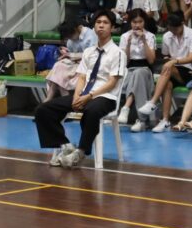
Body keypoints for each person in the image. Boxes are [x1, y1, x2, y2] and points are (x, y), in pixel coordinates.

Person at [34, 10, 127, 169]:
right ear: (94, 27)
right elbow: (82, 77)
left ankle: (81, 151)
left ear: (112, 28)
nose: (101, 26)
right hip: (84, 94)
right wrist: (77, 95)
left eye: (105, 23)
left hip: (105, 97)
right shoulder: (88, 52)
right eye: (98, 23)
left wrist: (89, 96)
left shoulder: (118, 53)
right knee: (43, 110)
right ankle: (65, 145)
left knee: (91, 110)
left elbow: (112, 82)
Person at [136, 12, 192, 133]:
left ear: (182, 24)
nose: (173, 32)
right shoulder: (167, 36)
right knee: (167, 85)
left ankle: (153, 102)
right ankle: (165, 120)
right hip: (173, 71)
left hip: (191, 72)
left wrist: (173, 61)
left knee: (168, 68)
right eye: (171, 29)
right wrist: (168, 60)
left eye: (175, 29)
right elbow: (166, 55)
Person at [115, 9, 157, 129]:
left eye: (140, 22)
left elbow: (151, 61)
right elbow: (125, 62)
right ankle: (142, 121)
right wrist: (128, 44)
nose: (137, 25)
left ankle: (126, 108)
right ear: (130, 22)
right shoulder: (124, 37)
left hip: (145, 69)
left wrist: (144, 41)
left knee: (138, 73)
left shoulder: (150, 36)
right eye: (134, 22)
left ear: (144, 22)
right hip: (129, 69)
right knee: (135, 76)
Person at [43, 20, 97, 101]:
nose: (70, 38)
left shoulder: (91, 36)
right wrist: (66, 52)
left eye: (70, 35)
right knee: (59, 65)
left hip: (88, 66)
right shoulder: (71, 39)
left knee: (60, 71)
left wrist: (71, 55)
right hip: (75, 63)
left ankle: (58, 98)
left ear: (76, 29)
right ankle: (56, 97)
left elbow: (92, 55)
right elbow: (71, 52)